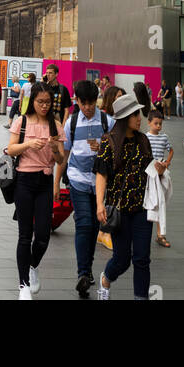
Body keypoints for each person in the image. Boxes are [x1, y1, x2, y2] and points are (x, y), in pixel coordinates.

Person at [94, 93, 155, 301]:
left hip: (142, 207)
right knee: (122, 259)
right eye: (135, 114)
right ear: (124, 118)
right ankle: (106, 278)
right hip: (119, 209)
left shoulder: (143, 140)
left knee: (142, 258)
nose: (140, 118)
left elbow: (151, 169)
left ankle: (141, 297)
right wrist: (99, 204)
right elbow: (101, 174)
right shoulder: (109, 142)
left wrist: (161, 170)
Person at [7, 81, 65, 300]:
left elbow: (60, 159)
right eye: (41, 102)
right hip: (24, 180)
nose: (45, 106)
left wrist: (53, 148)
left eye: (48, 102)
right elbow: (11, 149)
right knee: (24, 235)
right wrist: (29, 145)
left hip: (45, 182)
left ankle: (33, 265)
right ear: (32, 101)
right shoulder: (22, 122)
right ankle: (23, 285)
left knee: (42, 236)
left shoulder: (55, 126)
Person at [62, 79, 111, 298]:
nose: (88, 107)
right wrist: (56, 183)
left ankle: (88, 270)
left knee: (92, 227)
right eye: (84, 102)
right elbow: (64, 154)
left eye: (92, 102)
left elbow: (115, 151)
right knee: (83, 223)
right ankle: (82, 274)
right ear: (77, 101)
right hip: (77, 180)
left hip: (99, 182)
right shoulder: (71, 123)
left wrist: (103, 147)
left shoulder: (106, 121)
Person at [145, 109, 174, 247]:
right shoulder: (145, 138)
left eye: (160, 124)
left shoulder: (164, 137)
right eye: (156, 123)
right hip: (149, 173)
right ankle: (159, 234)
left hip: (160, 172)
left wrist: (167, 162)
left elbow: (171, 150)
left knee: (159, 201)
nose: (158, 126)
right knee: (155, 202)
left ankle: (160, 234)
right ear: (149, 123)